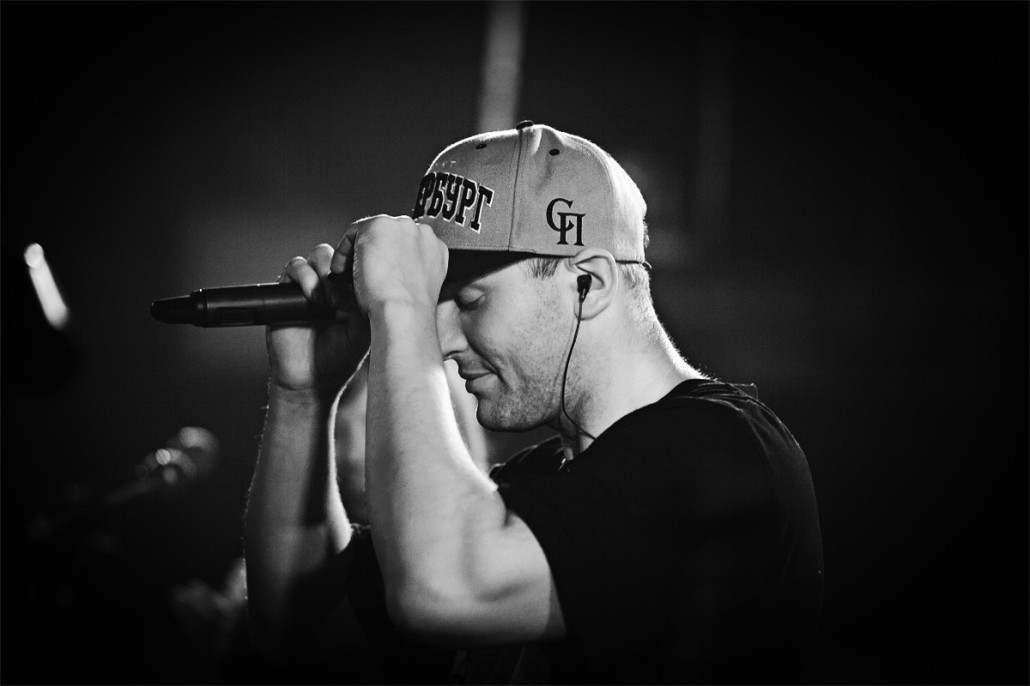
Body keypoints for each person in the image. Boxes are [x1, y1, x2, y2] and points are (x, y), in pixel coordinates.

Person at [244, 121, 824, 684]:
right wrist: (304, 394)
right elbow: (303, 632)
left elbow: (441, 589)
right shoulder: (540, 482)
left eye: (469, 301)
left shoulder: (721, 451)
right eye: (433, 306)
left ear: (589, 284)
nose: (441, 341)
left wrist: (401, 306)